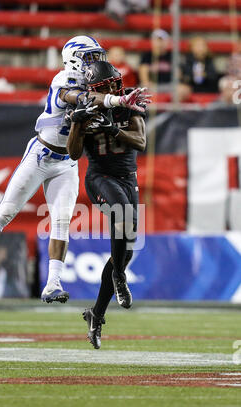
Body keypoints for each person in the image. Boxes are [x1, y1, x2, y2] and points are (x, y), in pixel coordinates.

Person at [0, 36, 146, 303]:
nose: (96, 62)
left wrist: (121, 101)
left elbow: (94, 112)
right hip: (41, 153)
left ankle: (53, 284)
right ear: (74, 58)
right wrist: (116, 102)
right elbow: (80, 96)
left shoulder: (95, 82)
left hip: (66, 163)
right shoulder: (65, 79)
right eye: (90, 57)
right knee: (6, 210)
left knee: (60, 222)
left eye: (97, 57)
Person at [67, 62, 149, 348]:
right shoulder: (86, 107)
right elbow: (74, 153)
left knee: (125, 251)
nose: (114, 90)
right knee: (122, 216)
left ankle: (96, 314)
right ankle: (120, 279)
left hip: (128, 178)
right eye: (106, 87)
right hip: (100, 177)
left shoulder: (129, 106)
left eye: (115, 83)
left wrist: (113, 129)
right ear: (93, 90)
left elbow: (140, 141)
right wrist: (77, 122)